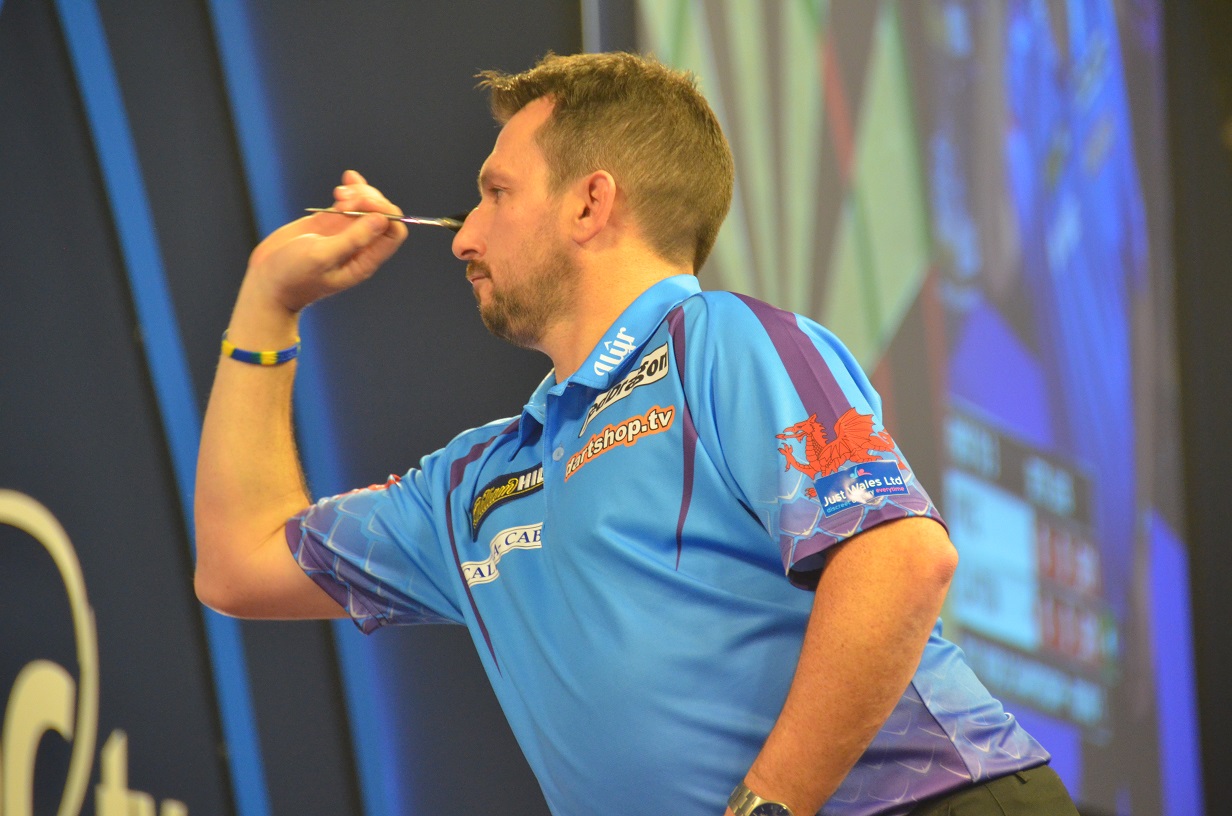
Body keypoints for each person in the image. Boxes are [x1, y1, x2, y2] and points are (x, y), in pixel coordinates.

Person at [194, 52, 1079, 816]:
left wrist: (767, 808)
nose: (464, 238)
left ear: (590, 205)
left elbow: (900, 560)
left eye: (496, 194)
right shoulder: (471, 483)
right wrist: (270, 299)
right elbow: (239, 565)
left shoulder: (723, 343)